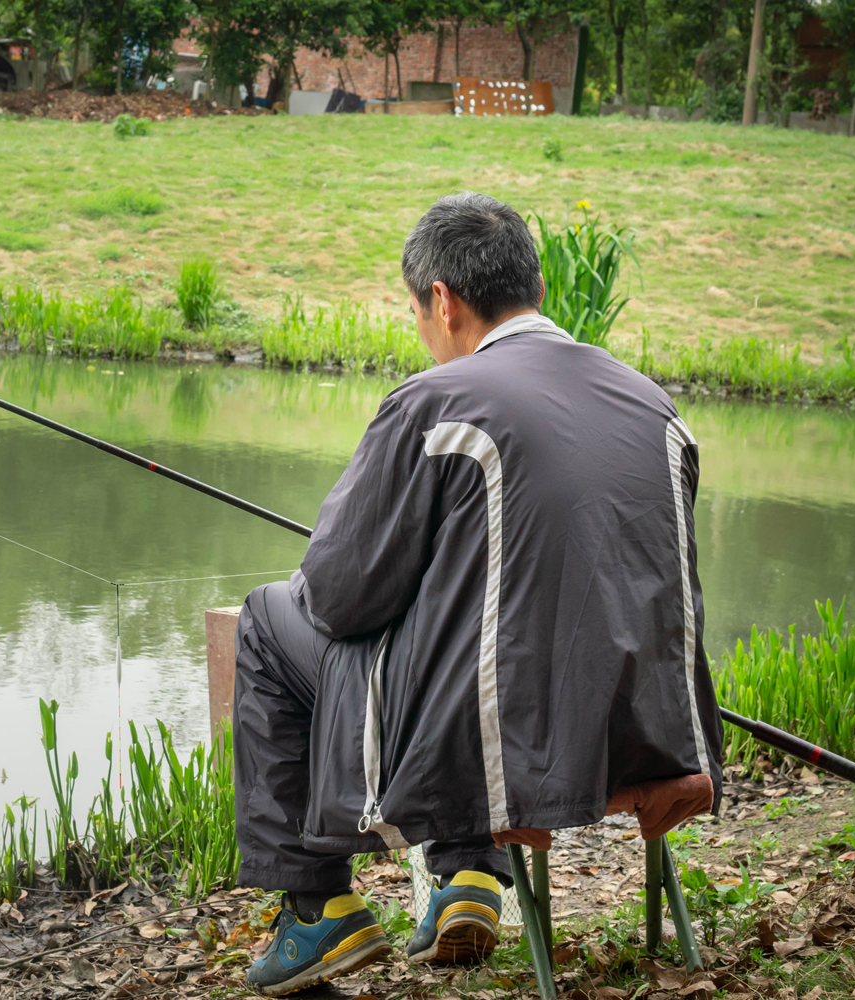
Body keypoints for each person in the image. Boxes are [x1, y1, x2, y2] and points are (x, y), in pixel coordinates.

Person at [232, 192, 723, 996]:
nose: (424, 336)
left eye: (418, 314)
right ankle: (468, 876)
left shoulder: (438, 402)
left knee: (266, 617)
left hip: (502, 749)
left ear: (443, 300)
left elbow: (338, 597)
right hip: (645, 735)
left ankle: (319, 909)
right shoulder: (652, 404)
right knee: (474, 623)